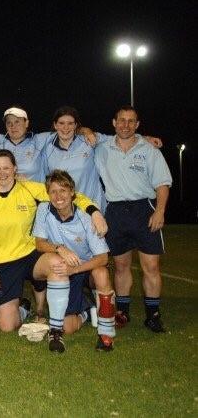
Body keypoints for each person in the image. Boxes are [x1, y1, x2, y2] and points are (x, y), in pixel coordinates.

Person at [0, 149, 107, 333]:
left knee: (57, 262)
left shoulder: (28, 188)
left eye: (6, 168)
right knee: (8, 327)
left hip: (29, 255)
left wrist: (93, 211)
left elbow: (66, 195)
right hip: (0, 263)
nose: (2, 173)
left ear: (14, 168)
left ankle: (57, 328)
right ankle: (24, 306)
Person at [94, 106, 172, 333]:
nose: (125, 125)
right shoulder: (102, 148)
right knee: (120, 266)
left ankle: (153, 315)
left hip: (144, 210)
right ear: (114, 122)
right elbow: (82, 134)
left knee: (151, 266)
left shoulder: (149, 150)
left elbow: (162, 184)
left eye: (131, 121)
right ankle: (123, 312)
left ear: (137, 125)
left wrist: (159, 211)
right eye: (122, 121)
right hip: (116, 211)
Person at [32, 170, 116, 352]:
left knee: (101, 273)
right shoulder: (43, 209)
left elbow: (103, 257)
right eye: (53, 191)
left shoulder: (87, 218)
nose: (58, 196)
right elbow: (39, 243)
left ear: (72, 192)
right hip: (64, 269)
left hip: (86, 268)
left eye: (63, 190)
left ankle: (106, 334)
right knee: (68, 327)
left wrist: (75, 270)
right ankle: (88, 309)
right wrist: (59, 248)